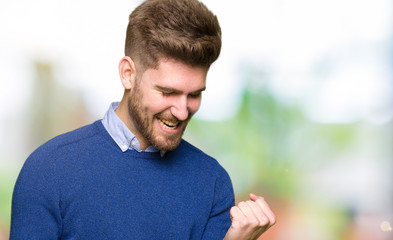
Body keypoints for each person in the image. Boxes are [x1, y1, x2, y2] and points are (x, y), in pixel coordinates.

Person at [10, 0, 275, 239]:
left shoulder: (212, 183)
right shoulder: (49, 170)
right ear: (128, 74)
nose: (182, 111)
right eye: (167, 92)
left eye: (194, 94)